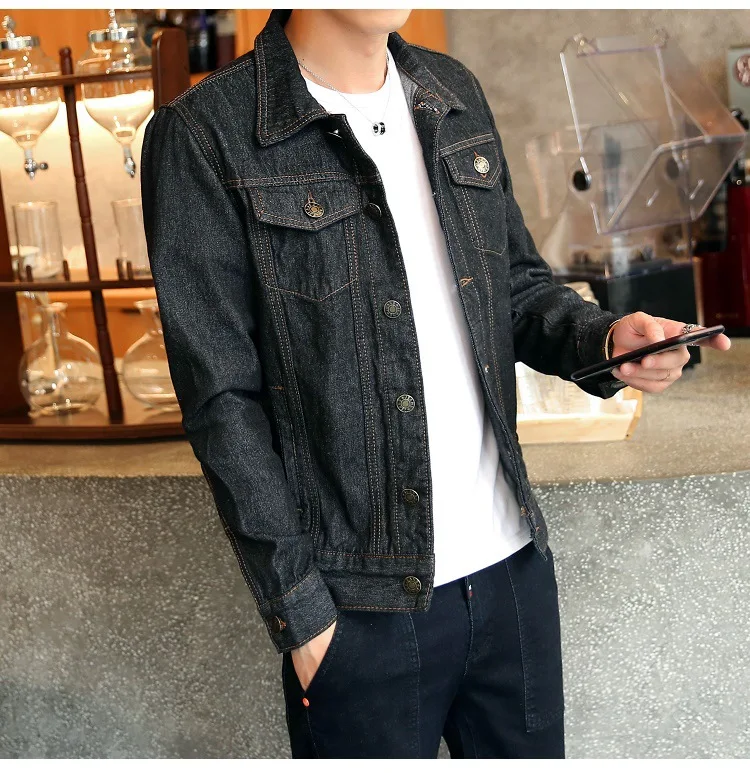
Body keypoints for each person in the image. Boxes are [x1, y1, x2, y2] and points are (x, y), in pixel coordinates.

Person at [140, 8, 731, 759]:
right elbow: (222, 401)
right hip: (361, 611)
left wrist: (606, 339)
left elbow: (515, 287)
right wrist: (306, 619)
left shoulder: (451, 91)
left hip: (512, 575)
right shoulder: (206, 133)